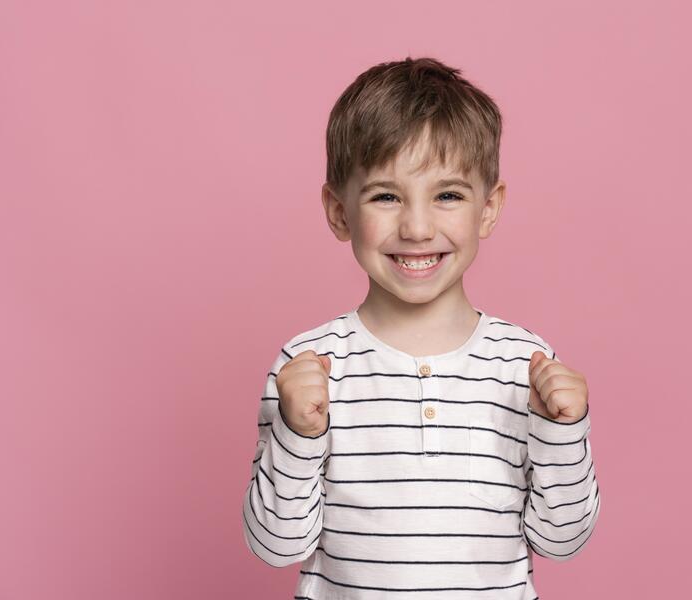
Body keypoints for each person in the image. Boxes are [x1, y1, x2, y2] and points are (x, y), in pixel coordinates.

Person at [242, 56, 600, 599]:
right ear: (339, 212)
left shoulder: (525, 363)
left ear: (489, 207)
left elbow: (562, 539)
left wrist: (563, 434)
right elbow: (275, 545)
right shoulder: (307, 364)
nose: (416, 226)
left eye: (448, 195)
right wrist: (299, 434)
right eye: (385, 196)